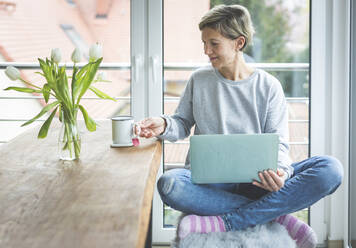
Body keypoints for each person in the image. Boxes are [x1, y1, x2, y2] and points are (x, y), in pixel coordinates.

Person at [136, 4, 343, 248]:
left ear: (239, 43)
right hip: (210, 183)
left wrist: (280, 173)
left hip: (257, 184)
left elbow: (280, 142)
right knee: (169, 184)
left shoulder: (269, 86)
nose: (206, 51)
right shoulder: (199, 80)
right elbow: (181, 123)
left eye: (214, 43)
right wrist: (162, 124)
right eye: (204, 43)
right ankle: (274, 215)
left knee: (330, 169)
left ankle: (230, 219)